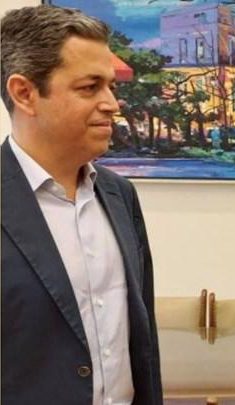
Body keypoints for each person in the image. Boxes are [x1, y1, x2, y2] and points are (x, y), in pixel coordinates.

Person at [1, 5, 162, 405]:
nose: (112, 104)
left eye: (111, 87)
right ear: (25, 93)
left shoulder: (120, 196)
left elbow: (142, 347)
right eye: (90, 87)